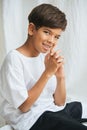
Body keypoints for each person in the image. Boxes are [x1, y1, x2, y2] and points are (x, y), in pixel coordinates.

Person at [0, 3, 87, 130]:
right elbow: (24, 107)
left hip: (51, 110)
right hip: (32, 118)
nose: (52, 41)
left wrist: (60, 76)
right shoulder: (14, 59)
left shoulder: (44, 57)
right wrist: (47, 73)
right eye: (47, 32)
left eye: (56, 36)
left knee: (80, 106)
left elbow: (60, 103)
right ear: (31, 29)